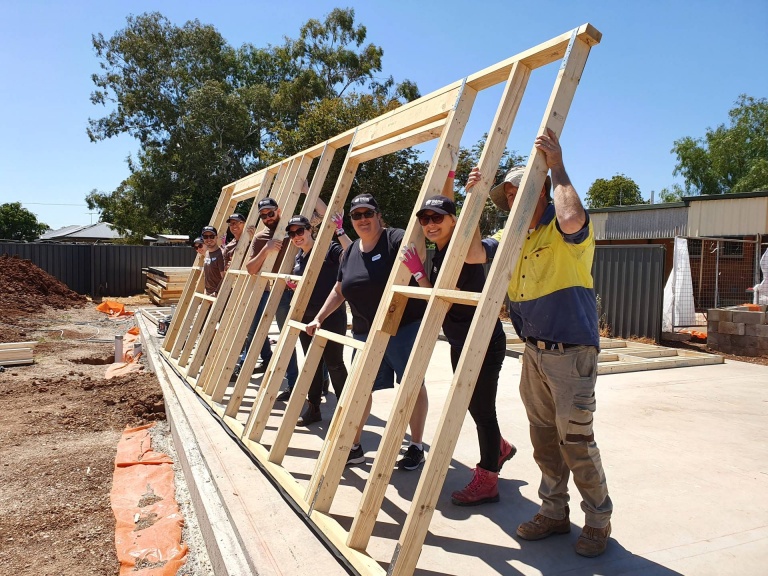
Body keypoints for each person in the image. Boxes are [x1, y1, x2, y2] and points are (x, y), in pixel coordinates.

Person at [466, 128, 612, 557]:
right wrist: (474, 201)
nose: (513, 199)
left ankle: (597, 520)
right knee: (545, 440)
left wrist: (557, 167)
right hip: (532, 353)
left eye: (521, 191)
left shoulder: (564, 228)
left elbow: (571, 219)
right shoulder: (513, 237)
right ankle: (553, 511)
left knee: (576, 442)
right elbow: (473, 254)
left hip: (572, 354)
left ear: (542, 190)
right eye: (509, 195)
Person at [400, 191, 516, 506]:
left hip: (482, 342)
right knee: (473, 406)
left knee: (483, 410)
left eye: (437, 218)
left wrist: (419, 275)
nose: (430, 224)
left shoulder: (460, 253)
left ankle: (488, 479)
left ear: (454, 221)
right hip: (460, 341)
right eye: (425, 219)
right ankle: (500, 448)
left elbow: (443, 304)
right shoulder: (441, 253)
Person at [306, 194, 429, 470]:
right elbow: (339, 290)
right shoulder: (350, 252)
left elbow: (419, 249)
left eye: (367, 213)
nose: (362, 219)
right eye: (356, 215)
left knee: (412, 385)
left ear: (378, 215)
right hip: (364, 332)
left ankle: (416, 446)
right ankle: (355, 447)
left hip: (402, 327)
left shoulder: (395, 239)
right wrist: (319, 317)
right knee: (360, 390)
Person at [284, 214, 350, 425]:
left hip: (331, 316)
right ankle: (313, 409)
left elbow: (352, 255)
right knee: (311, 364)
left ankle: (345, 414)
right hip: (307, 317)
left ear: (310, 229)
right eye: (292, 233)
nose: (296, 236)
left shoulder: (328, 249)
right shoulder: (298, 257)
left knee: (335, 364)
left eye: (300, 231)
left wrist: (340, 231)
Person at [236, 198, 299, 391]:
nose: (267, 218)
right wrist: (266, 249)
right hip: (277, 293)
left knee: (305, 338)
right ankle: (293, 383)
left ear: (278, 210)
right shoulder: (260, 237)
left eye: (270, 213)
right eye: (263, 215)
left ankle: (317, 383)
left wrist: (305, 190)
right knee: (283, 339)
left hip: (297, 290)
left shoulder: (293, 229)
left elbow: (320, 215)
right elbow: (250, 269)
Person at [201, 225, 225, 297]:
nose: (209, 239)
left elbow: (225, 277)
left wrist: (216, 293)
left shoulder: (221, 254)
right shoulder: (207, 253)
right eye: (205, 237)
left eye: (211, 236)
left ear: (216, 237)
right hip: (208, 295)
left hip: (219, 296)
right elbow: (207, 275)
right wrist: (205, 291)